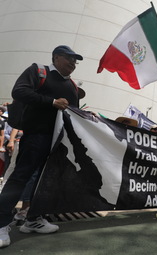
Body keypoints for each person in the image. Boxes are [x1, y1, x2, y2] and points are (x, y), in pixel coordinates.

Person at [0, 45, 83, 248]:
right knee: (21, 178)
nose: (73, 63)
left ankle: (34, 219)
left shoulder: (72, 86)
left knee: (47, 181)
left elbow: (74, 114)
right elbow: (19, 92)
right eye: (69, 59)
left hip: (57, 143)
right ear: (56, 57)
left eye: (75, 61)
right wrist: (51, 102)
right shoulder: (38, 71)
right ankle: (1, 224)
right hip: (36, 136)